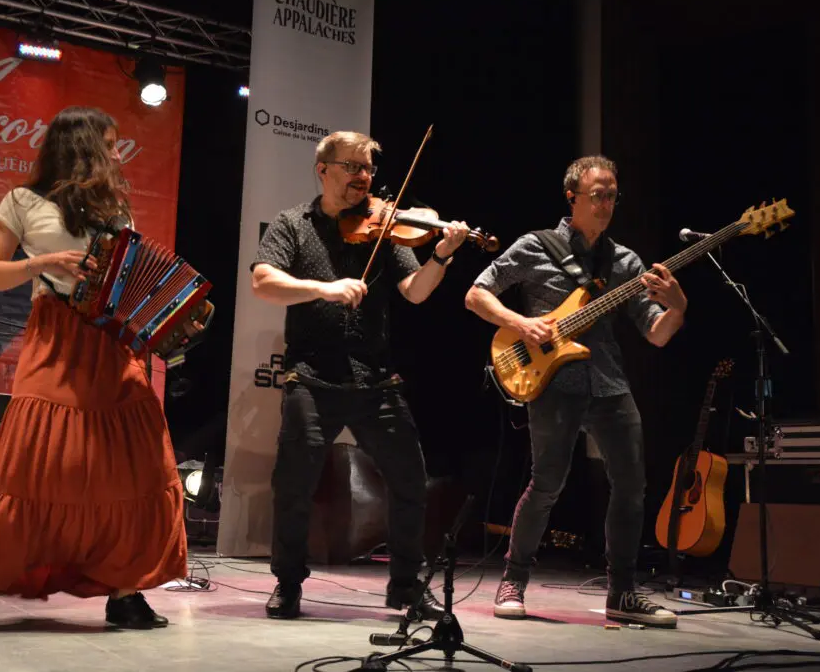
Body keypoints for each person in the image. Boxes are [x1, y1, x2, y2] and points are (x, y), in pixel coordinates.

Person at [0, 106, 188, 631]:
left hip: (111, 345)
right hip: (56, 340)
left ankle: (125, 593)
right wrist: (42, 263)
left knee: (139, 464)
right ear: (84, 148)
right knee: (30, 466)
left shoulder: (118, 209)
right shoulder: (22, 201)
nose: (118, 155)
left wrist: (163, 316)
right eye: (111, 145)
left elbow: (129, 277)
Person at [251, 130, 470, 620]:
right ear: (323, 170)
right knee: (294, 484)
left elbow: (415, 291)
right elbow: (263, 281)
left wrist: (441, 256)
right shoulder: (293, 224)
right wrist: (324, 289)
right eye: (351, 167)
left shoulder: (384, 225)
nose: (362, 177)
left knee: (410, 480)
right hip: (312, 377)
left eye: (367, 168)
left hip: (374, 377)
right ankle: (288, 582)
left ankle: (406, 586)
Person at [464, 155, 685, 628]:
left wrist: (678, 308)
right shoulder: (535, 246)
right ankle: (514, 579)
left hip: (609, 383)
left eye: (612, 196)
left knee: (632, 487)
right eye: (597, 195)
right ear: (572, 198)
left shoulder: (625, 262)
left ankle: (622, 593)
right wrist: (521, 323)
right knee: (547, 484)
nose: (606, 204)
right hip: (552, 384)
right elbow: (476, 294)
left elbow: (656, 334)